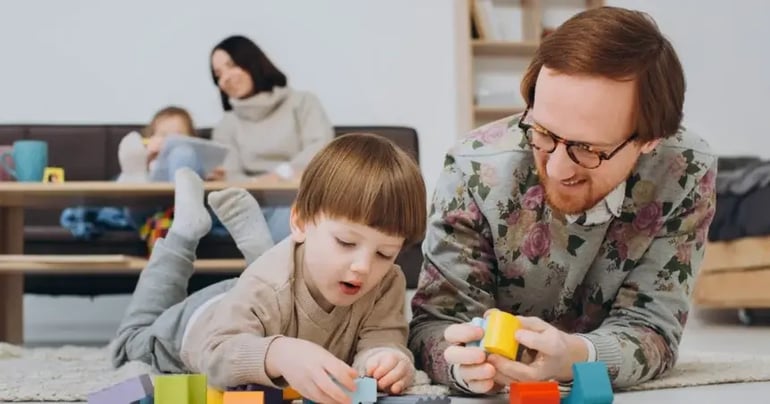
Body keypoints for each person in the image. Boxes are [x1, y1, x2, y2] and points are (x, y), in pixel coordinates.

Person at [407, 6, 717, 393]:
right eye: (543, 132)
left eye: (588, 148)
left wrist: (577, 355)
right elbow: (434, 325)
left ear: (650, 140)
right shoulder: (473, 168)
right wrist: (463, 367)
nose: (555, 168)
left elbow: (654, 328)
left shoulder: (685, 170)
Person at [109, 133, 427, 404]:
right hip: (196, 324)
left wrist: (385, 360)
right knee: (131, 342)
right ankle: (183, 233)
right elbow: (215, 354)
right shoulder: (268, 282)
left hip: (262, 302)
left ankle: (259, 248)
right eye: (345, 242)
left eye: (385, 253)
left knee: (275, 292)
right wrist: (280, 354)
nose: (363, 267)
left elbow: (383, 337)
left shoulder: (385, 282)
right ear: (300, 222)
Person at [208, 35, 335, 243]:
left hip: (299, 194)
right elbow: (231, 178)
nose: (226, 78)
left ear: (252, 62)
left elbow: (321, 151)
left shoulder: (303, 103)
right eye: (218, 74)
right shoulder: (226, 125)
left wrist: (280, 176)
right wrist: (260, 184)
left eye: (231, 66)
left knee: (292, 207)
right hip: (252, 203)